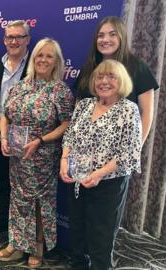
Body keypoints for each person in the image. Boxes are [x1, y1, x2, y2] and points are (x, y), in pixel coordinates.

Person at [0, 38, 74, 267]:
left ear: (57, 61)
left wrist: (40, 140)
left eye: (49, 56)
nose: (43, 60)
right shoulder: (20, 86)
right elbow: (5, 115)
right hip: (18, 156)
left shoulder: (60, 90)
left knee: (40, 202)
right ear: (33, 58)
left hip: (43, 156)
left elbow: (67, 124)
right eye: (39, 55)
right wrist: (3, 137)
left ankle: (38, 246)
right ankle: (17, 243)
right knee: (18, 199)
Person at [60, 59, 142, 270]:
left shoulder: (128, 110)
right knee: (77, 232)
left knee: (101, 238)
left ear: (122, 81)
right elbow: (69, 136)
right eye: (99, 77)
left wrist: (98, 174)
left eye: (111, 76)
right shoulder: (85, 104)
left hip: (107, 184)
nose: (104, 81)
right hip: (77, 180)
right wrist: (64, 161)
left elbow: (129, 153)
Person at [74, 16, 159, 144]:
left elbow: (147, 113)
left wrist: (135, 148)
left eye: (112, 34)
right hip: (85, 149)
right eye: (101, 36)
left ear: (122, 37)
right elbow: (78, 109)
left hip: (121, 150)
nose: (105, 40)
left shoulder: (138, 68)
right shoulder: (87, 69)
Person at [0, 20, 31, 237]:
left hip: (26, 135)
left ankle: (19, 229)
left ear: (27, 40)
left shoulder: (35, 66)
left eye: (18, 37)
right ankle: (1, 220)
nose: (13, 41)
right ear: (4, 40)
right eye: (9, 37)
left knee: (22, 183)